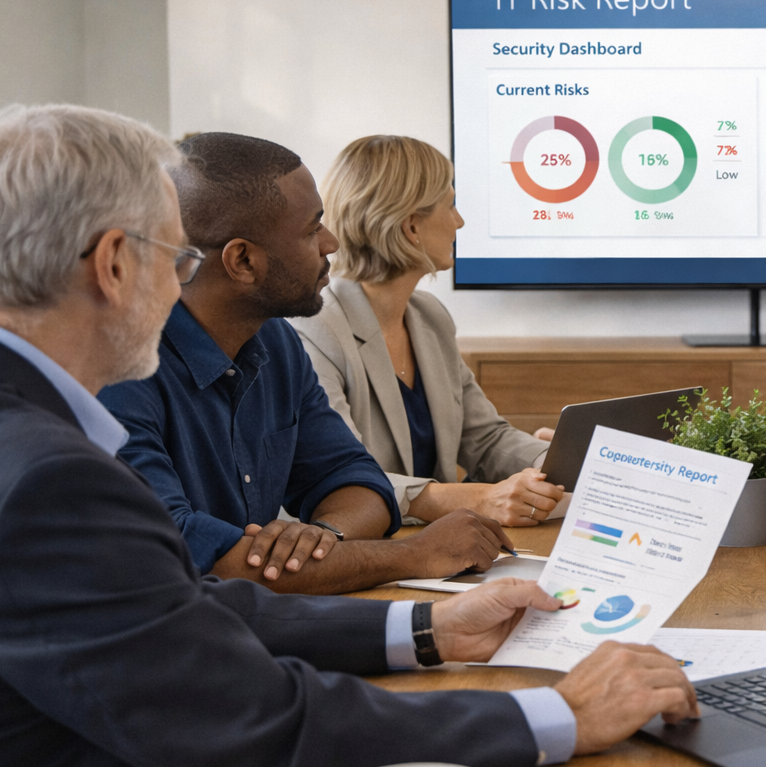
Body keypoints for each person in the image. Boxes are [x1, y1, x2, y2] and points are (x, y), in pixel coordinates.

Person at [0, 103, 697, 767]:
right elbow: (257, 727)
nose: (181, 288)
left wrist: (429, 629)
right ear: (112, 265)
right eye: (175, 258)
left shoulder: (17, 432)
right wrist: (558, 715)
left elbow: (180, 608)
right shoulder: (51, 479)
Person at [99, 132, 506, 594]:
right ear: (243, 261)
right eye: (312, 230)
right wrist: (416, 554)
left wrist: (322, 540)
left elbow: (357, 482)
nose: (331, 243)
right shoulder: (117, 370)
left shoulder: (275, 340)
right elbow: (185, 560)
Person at [291, 135, 564, 528]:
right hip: (364, 547)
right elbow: (343, 480)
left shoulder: (429, 317)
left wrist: (558, 461)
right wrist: (482, 499)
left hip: (437, 539)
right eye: (450, 205)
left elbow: (484, 439)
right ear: (411, 226)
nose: (459, 221)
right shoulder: (313, 330)